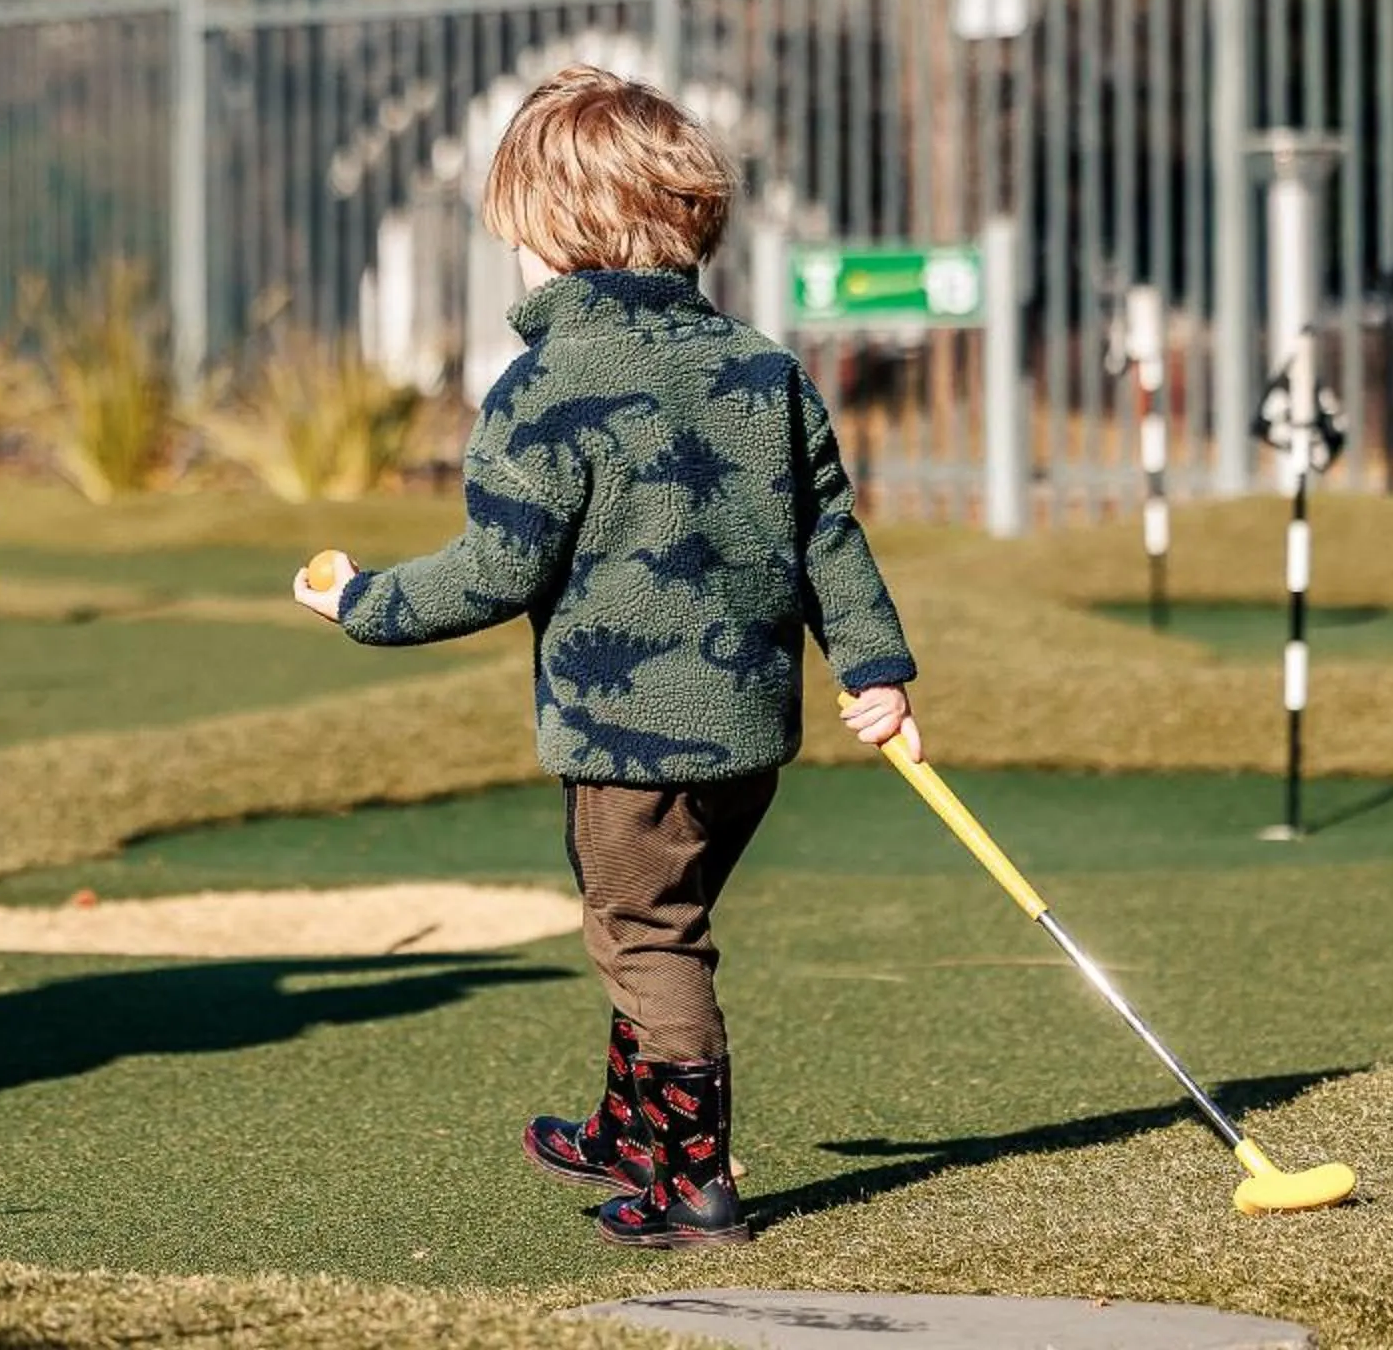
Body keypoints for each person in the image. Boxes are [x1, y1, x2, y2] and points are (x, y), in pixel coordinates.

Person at [289, 65, 921, 1248]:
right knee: (639, 912)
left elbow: (495, 569)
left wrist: (364, 601)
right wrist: (874, 669)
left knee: (646, 931)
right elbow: (828, 527)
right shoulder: (763, 369)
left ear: (556, 235)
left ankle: (692, 1181)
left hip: (633, 737)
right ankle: (632, 1123)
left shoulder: (544, 388)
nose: (512, 259)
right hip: (750, 734)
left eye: (515, 236)